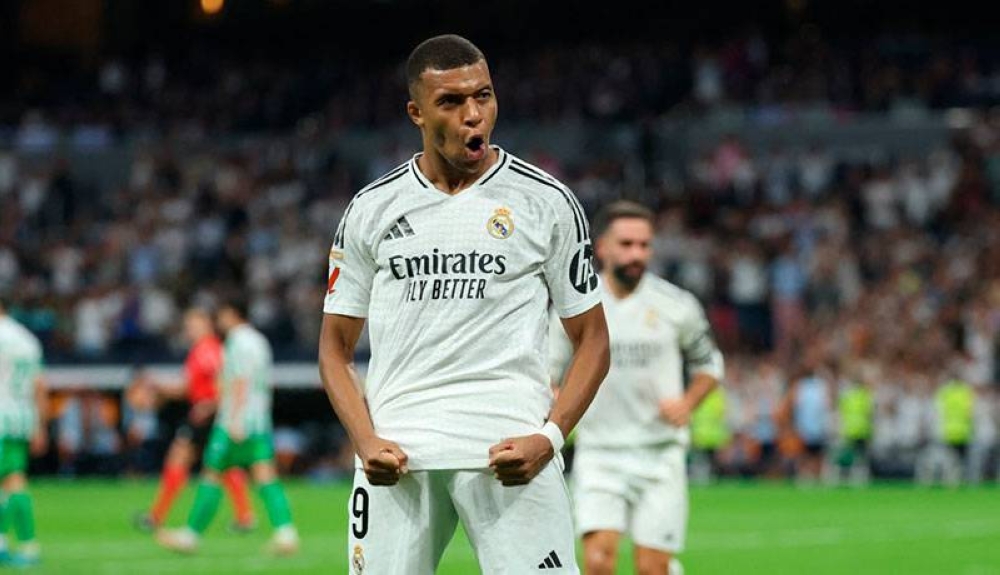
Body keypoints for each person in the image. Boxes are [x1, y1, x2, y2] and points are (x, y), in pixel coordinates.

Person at [318, 34, 610, 574]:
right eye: (451, 102)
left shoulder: (546, 201)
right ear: (417, 112)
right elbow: (335, 348)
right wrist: (364, 439)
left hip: (509, 453)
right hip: (398, 457)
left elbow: (592, 338)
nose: (473, 115)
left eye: (484, 96)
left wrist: (548, 438)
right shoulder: (371, 208)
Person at [550, 200, 723, 575]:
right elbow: (548, 370)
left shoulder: (676, 305)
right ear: (602, 248)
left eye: (644, 245)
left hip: (659, 454)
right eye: (626, 244)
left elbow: (710, 364)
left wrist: (689, 402)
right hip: (599, 452)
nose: (637, 254)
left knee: (652, 569)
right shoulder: (577, 306)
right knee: (598, 562)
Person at [157, 300, 299, 555]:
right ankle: (286, 533)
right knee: (265, 475)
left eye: (221, 315)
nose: (218, 321)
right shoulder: (259, 341)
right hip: (258, 421)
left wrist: (233, 418)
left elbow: (240, 381)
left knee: (211, 473)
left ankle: (191, 535)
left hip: (235, 421)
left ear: (232, 313)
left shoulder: (237, 341)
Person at [134, 307, 255, 532]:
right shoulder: (203, 350)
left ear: (206, 325)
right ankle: (245, 516)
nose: (189, 330)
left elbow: (222, 379)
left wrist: (210, 404)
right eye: (188, 326)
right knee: (224, 464)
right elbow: (188, 388)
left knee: (178, 458)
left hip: (206, 413)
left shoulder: (207, 350)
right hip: (210, 412)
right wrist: (159, 387)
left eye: (193, 325)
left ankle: (156, 516)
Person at [0, 299, 48, 567]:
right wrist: (40, 425)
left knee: (13, 482)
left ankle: (29, 546)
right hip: (20, 417)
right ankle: (6, 543)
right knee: (10, 480)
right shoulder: (27, 339)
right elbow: (40, 385)